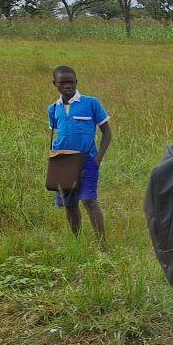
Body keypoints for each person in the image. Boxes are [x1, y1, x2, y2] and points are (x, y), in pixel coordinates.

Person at [47, 65, 112, 238]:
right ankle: (77, 242)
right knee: (69, 203)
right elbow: (58, 132)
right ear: (55, 84)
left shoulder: (91, 103)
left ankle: (102, 244)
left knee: (89, 200)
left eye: (71, 82)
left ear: (77, 82)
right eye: (63, 82)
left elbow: (107, 132)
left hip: (87, 160)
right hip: (62, 162)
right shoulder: (53, 108)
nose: (67, 85)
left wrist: (97, 159)